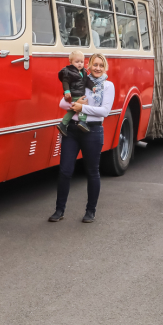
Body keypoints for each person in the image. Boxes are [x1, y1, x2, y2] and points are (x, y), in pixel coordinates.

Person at [50, 52, 113, 224]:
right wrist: (76, 104)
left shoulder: (108, 86)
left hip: (93, 131)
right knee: (65, 170)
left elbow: (104, 111)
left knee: (92, 171)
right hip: (72, 130)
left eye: (101, 65)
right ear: (89, 66)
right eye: (95, 65)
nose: (98, 68)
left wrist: (82, 108)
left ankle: (90, 211)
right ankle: (59, 210)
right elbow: (62, 103)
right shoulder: (81, 79)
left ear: (105, 67)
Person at [57, 50, 96, 135]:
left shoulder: (83, 72)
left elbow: (87, 81)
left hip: (79, 94)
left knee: (72, 111)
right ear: (70, 62)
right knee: (83, 106)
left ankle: (63, 124)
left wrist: (92, 87)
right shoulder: (69, 72)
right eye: (77, 62)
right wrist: (67, 91)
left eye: (82, 62)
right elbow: (65, 81)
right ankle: (82, 121)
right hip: (75, 94)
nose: (80, 64)